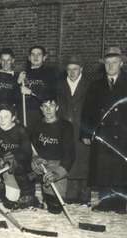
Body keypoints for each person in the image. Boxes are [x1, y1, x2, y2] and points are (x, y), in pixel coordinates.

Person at [81, 47, 127, 214]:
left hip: (123, 134)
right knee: (103, 168)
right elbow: (87, 110)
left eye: (114, 62)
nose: (110, 66)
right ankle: (105, 201)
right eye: (107, 63)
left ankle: (122, 203)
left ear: (121, 63)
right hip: (102, 134)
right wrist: (85, 133)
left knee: (121, 169)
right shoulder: (96, 85)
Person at [0, 104, 38, 209]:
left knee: (13, 198)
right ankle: (0, 187)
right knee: (10, 199)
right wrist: (1, 155)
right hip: (3, 165)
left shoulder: (21, 130)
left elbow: (27, 152)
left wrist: (14, 157)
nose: (2, 120)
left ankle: (27, 193)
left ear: (13, 118)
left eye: (6, 117)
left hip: (19, 167)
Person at [30, 98, 75, 214]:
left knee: (55, 208)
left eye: (51, 105)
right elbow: (31, 148)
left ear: (57, 107)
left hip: (56, 165)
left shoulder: (66, 126)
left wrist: (57, 173)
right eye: (45, 106)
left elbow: (70, 154)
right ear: (41, 109)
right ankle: (28, 194)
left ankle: (48, 195)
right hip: (41, 164)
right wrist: (35, 158)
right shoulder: (36, 125)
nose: (48, 109)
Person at [57, 55, 91, 205]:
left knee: (84, 159)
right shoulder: (59, 85)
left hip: (82, 128)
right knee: (68, 156)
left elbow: (93, 109)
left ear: (81, 69)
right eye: (69, 69)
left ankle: (84, 194)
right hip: (65, 127)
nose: (72, 72)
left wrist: (89, 130)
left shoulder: (89, 85)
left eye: (75, 69)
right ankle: (70, 193)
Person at [18, 45, 59, 127]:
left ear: (44, 57)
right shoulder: (24, 74)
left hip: (42, 114)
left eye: (39, 54)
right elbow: (16, 96)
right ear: (29, 57)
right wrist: (18, 82)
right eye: (33, 54)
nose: (35, 57)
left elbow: (51, 95)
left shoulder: (50, 73)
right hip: (25, 113)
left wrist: (31, 92)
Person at [0, 48, 21, 114]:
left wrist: (18, 83)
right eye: (3, 60)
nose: (5, 63)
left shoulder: (18, 77)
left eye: (8, 60)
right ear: (0, 61)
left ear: (13, 60)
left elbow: (19, 98)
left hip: (11, 112)